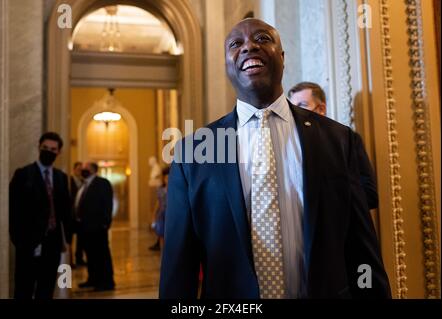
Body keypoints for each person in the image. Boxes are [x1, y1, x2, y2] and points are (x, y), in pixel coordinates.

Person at [160, 18, 391, 299]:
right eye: (236, 44)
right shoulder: (194, 151)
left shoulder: (339, 140)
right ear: (227, 65)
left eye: (262, 39)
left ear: (282, 57)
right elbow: (179, 264)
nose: (249, 47)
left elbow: (360, 248)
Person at [288, 81, 379, 209]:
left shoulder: (346, 139)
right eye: (293, 108)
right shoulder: (289, 144)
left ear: (321, 109)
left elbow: (369, 195)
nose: (296, 113)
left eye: (302, 105)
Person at [9, 132, 71, 299]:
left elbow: (65, 211)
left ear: (59, 152)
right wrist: (18, 240)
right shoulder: (23, 174)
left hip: (53, 243)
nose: (48, 151)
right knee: (24, 288)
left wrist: (67, 239)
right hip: (28, 243)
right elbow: (14, 210)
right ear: (39, 147)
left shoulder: (61, 178)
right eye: (45, 148)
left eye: (53, 149)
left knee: (47, 287)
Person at [75, 162, 115, 291]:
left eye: (85, 168)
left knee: (101, 255)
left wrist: (105, 223)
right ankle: (92, 279)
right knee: (90, 255)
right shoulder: (84, 184)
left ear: (93, 169)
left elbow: (107, 204)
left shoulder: (102, 183)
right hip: (84, 227)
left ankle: (106, 282)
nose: (83, 170)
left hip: (97, 227)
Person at [70, 161, 86, 266]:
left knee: (81, 239)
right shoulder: (69, 181)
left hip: (81, 216)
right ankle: (70, 261)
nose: (80, 171)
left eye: (81, 170)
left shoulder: (84, 181)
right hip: (71, 215)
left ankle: (79, 259)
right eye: (78, 169)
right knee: (70, 239)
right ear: (74, 169)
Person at [150, 167, 169, 251]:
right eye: (166, 178)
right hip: (161, 215)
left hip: (171, 215)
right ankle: (163, 253)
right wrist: (154, 215)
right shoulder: (160, 190)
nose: (167, 180)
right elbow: (158, 202)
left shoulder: (174, 190)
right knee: (161, 235)